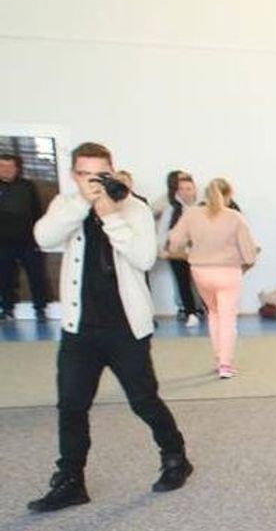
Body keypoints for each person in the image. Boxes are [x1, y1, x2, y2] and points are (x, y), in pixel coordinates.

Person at [26, 141, 192, 512]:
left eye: (100, 174)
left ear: (112, 172)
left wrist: (110, 216)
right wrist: (83, 206)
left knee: (143, 400)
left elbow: (144, 258)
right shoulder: (66, 205)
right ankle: (71, 479)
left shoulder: (134, 207)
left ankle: (175, 456)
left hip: (125, 328)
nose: (93, 182)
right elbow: (44, 238)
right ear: (74, 175)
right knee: (71, 406)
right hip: (79, 328)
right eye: (85, 175)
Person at [168, 177, 260, 378]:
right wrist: (247, 264)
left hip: (201, 271)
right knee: (227, 317)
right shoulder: (235, 217)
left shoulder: (192, 214)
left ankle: (219, 358)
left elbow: (174, 242)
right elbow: (249, 253)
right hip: (228, 272)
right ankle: (225, 364)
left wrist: (189, 251)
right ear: (229, 195)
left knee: (214, 313)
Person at [0, 151, 49, 322]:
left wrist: (38, 237)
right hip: (3, 244)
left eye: (10, 166)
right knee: (4, 278)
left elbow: (37, 212)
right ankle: (7, 309)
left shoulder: (27, 186)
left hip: (28, 241)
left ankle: (40, 309)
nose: (6, 169)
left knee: (36, 276)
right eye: (2, 166)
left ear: (17, 168)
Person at [157, 171, 204, 326]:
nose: (185, 192)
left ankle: (207, 310)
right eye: (181, 189)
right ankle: (190, 312)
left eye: (188, 188)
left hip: (200, 252)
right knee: (183, 283)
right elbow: (163, 231)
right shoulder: (171, 209)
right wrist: (162, 249)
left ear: (194, 189)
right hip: (177, 252)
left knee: (203, 282)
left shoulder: (203, 208)